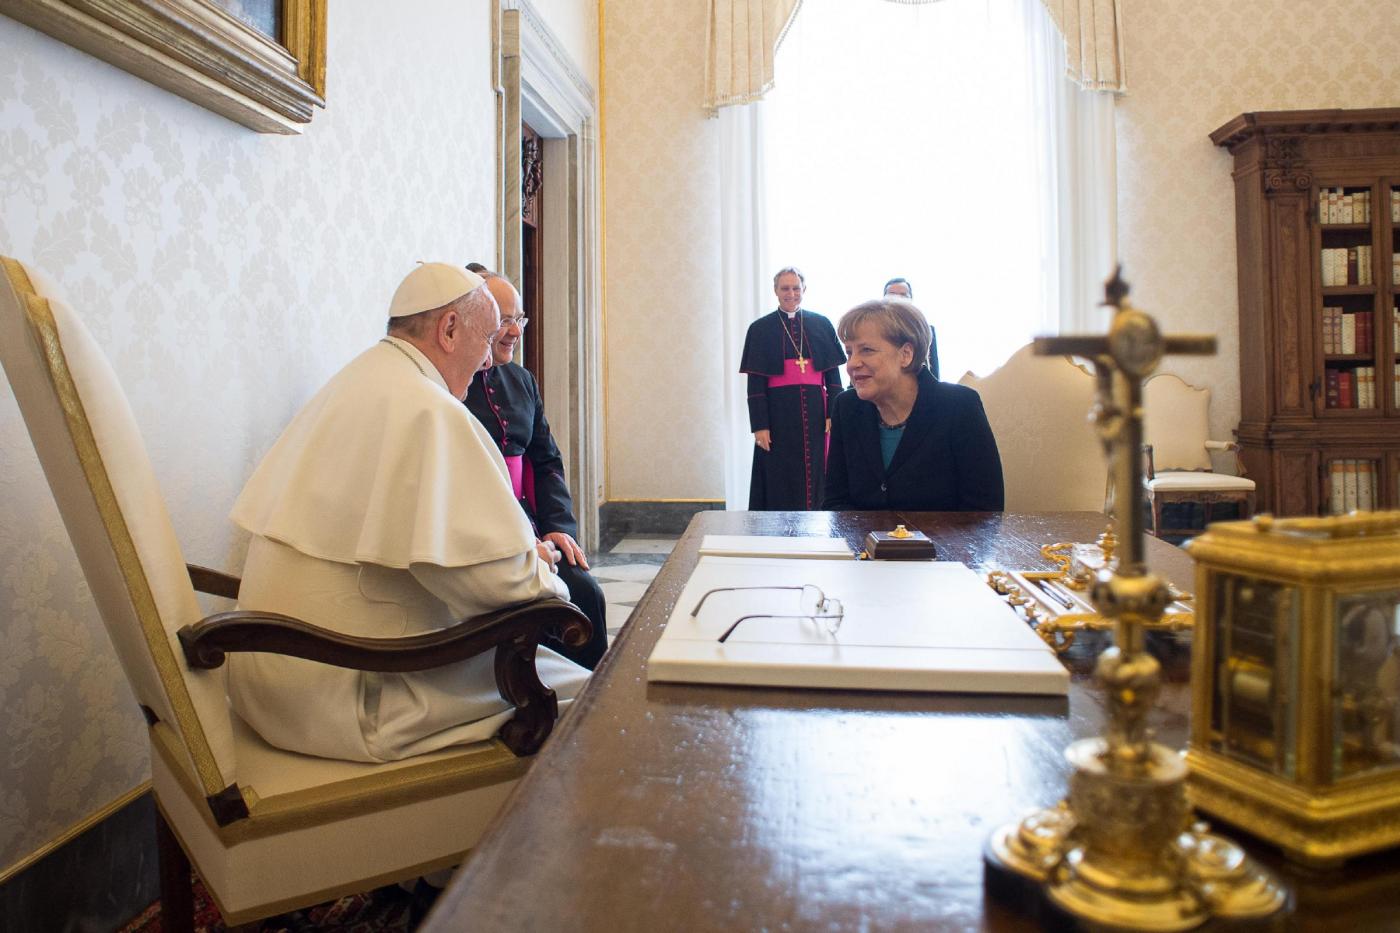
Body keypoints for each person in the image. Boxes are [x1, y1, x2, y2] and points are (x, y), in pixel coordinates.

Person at [226, 263, 589, 763]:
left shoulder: (358, 380)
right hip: (356, 693)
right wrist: (545, 571)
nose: (489, 361)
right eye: (486, 340)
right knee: (592, 695)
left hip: (273, 679)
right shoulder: (428, 410)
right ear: (449, 329)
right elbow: (502, 586)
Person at [465, 270, 608, 669]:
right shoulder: (449, 385)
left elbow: (546, 462)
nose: (516, 331)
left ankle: (592, 694)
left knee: (585, 592)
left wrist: (558, 526)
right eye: (505, 320)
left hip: (530, 523)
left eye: (520, 319)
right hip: (485, 534)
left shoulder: (522, 380)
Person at [824, 297, 1003, 511]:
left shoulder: (959, 406)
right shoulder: (846, 407)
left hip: (943, 535)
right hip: (861, 535)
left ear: (906, 354)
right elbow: (835, 503)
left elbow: (984, 510)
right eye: (849, 352)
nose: (852, 363)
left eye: (867, 350)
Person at [740, 267, 846, 510]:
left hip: (816, 412)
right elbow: (755, 385)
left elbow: (833, 376)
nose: (791, 293)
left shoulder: (821, 323)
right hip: (778, 413)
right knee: (779, 471)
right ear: (775, 291)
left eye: (796, 288)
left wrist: (832, 412)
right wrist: (760, 425)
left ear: (804, 289)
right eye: (785, 288)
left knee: (817, 469)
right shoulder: (760, 329)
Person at [883, 276, 939, 379]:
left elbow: (934, 373)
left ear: (911, 299)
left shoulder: (925, 331)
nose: (897, 299)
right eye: (892, 295)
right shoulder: (871, 331)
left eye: (903, 296)